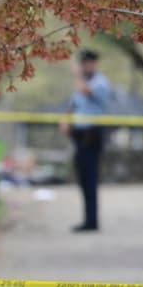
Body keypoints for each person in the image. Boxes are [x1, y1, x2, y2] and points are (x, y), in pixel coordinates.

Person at [59, 49, 112, 232]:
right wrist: (66, 120)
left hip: (92, 134)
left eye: (87, 63)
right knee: (82, 178)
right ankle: (87, 218)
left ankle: (92, 220)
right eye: (82, 63)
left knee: (90, 178)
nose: (84, 67)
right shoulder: (81, 83)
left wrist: (78, 76)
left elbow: (87, 93)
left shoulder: (100, 83)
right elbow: (74, 103)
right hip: (79, 135)